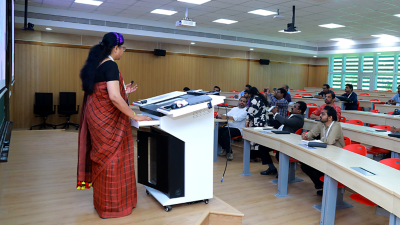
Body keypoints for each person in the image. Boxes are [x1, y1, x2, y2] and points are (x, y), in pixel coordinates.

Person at [78, 32, 152, 219]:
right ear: (115, 48)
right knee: (114, 161)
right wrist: (135, 115)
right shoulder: (111, 64)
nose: (123, 52)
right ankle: (115, 206)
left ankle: (102, 204)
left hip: (97, 120)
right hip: (109, 123)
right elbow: (112, 97)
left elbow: (101, 92)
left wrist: (123, 90)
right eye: (123, 48)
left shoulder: (96, 64)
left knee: (103, 159)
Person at [301, 106, 345, 196]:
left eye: (323, 114)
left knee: (316, 170)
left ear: (330, 117)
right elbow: (312, 133)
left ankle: (327, 189)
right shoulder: (321, 124)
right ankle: (321, 185)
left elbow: (330, 141)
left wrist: (320, 139)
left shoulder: (336, 125)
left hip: (335, 156)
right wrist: (306, 135)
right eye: (320, 113)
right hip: (324, 152)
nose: (320, 115)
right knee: (305, 165)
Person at [259, 101, 307, 176]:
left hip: (287, 140)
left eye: (295, 107)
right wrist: (277, 114)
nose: (292, 107)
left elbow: (285, 121)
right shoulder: (293, 115)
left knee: (279, 154)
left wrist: (276, 113)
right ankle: (272, 168)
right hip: (280, 137)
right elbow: (283, 123)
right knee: (262, 147)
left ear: (299, 111)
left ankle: (283, 172)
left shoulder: (299, 118)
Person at [246, 87, 269, 162]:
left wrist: (247, 120)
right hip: (263, 120)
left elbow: (251, 110)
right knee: (260, 139)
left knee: (254, 138)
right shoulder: (262, 97)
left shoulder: (255, 98)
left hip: (257, 120)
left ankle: (253, 156)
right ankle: (259, 156)